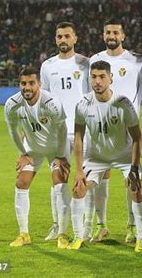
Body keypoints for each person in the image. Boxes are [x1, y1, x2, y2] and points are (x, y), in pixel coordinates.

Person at [68, 60, 142, 251]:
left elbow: (137, 138)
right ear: (89, 79)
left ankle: (141, 237)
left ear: (110, 78)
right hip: (96, 158)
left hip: (124, 157)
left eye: (102, 76)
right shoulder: (83, 104)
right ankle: (78, 237)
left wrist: (134, 168)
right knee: (78, 189)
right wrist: (79, 171)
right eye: (94, 77)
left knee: (135, 189)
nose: (98, 81)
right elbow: (78, 138)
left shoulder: (123, 104)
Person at [89, 20, 142, 243]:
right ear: (103, 34)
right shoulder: (95, 61)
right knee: (100, 175)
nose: (111, 35)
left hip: (128, 128)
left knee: (132, 179)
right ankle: (101, 225)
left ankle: (133, 227)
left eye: (116, 32)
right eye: (108, 32)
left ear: (123, 36)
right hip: (101, 127)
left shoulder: (135, 60)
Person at [4, 67, 71, 248]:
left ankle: (63, 234)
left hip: (55, 148)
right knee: (21, 183)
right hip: (33, 149)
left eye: (31, 83)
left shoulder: (51, 103)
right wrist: (23, 154)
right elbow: (12, 130)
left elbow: (63, 129)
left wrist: (60, 155)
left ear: (39, 85)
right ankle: (24, 234)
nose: (27, 87)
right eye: (23, 83)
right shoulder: (12, 104)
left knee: (60, 184)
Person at [39, 21, 90, 242]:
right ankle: (58, 226)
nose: (63, 40)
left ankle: (85, 228)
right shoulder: (47, 66)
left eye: (67, 36)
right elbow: (43, 100)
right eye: (59, 36)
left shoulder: (86, 64)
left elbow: (92, 97)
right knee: (58, 180)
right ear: (55, 39)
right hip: (57, 133)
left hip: (82, 131)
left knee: (83, 180)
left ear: (75, 38)